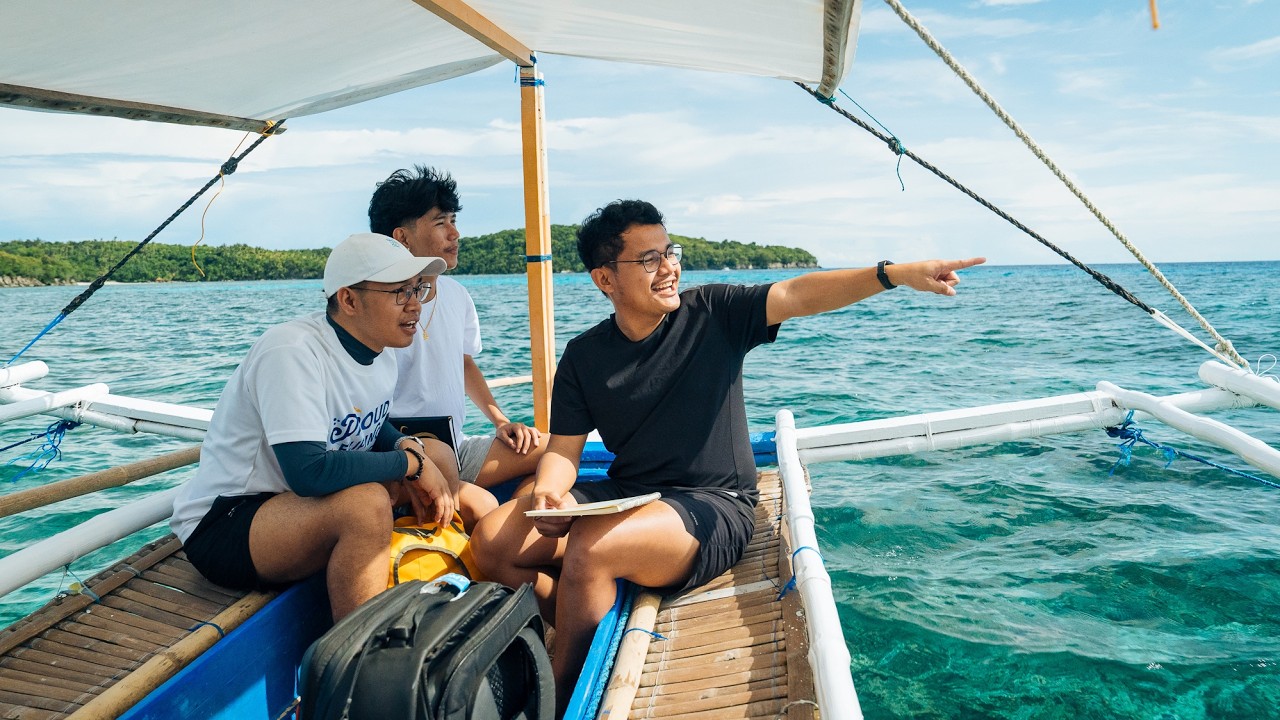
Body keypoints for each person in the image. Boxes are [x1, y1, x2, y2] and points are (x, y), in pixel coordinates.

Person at [470, 199, 986, 713]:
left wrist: (892, 274)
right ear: (605, 279)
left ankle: (557, 701)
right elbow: (562, 452)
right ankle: (576, 608)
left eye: (669, 251)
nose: (669, 266)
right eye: (648, 259)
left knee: (591, 548)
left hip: (713, 503)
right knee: (492, 542)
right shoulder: (585, 356)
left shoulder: (713, 313)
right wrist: (550, 491)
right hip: (630, 491)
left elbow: (796, 293)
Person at [170, 232, 497, 621]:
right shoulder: (292, 352)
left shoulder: (381, 352)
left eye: (418, 289)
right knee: (367, 504)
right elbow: (309, 472)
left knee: (439, 456)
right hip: (230, 523)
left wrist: (409, 447)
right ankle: (362, 656)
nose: (415, 305)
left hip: (299, 505)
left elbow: (370, 424)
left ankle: (424, 572)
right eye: (399, 293)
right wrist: (410, 465)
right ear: (349, 299)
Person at [370, 166, 545, 494]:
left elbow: (463, 362)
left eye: (454, 221)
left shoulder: (457, 295)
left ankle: (519, 529)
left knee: (551, 451)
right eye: (441, 223)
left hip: (456, 447)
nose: (455, 234)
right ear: (401, 238)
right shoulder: (374, 305)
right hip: (396, 456)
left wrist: (501, 422)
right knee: (480, 503)